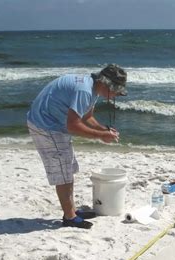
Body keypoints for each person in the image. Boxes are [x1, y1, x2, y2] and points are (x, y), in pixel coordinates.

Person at [27, 64, 127, 229]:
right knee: (63, 172)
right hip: (45, 125)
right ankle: (70, 217)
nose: (115, 95)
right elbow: (73, 126)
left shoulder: (92, 87)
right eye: (115, 91)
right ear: (105, 84)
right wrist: (101, 136)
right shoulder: (84, 91)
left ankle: (71, 210)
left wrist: (104, 129)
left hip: (53, 123)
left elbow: (87, 116)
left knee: (68, 168)